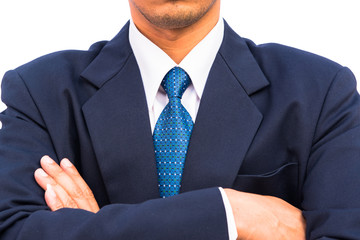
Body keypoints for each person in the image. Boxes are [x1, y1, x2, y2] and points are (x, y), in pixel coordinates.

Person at [0, 0, 359, 239]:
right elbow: (12, 231)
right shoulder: (40, 92)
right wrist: (230, 213)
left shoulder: (321, 92)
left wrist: (93, 229)